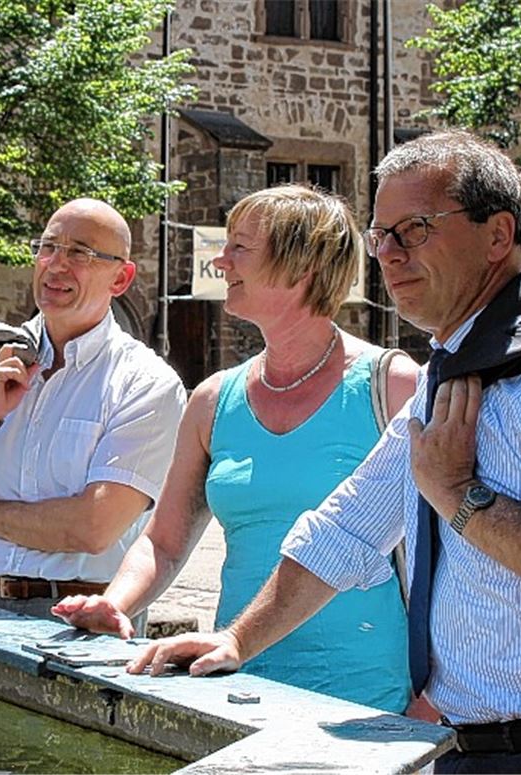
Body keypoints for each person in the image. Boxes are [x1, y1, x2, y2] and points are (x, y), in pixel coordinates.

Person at [124, 132, 521, 774]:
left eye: (416, 229)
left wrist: (461, 500)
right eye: (381, 235)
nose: (390, 255)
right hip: (468, 751)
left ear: (497, 233)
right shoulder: (450, 372)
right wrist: (235, 639)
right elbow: (345, 530)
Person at [55, 185, 419, 712]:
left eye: (240, 248)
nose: (221, 261)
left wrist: (433, 699)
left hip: (370, 701)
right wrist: (115, 604)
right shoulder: (212, 399)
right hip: (237, 685)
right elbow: (164, 542)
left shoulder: (393, 386)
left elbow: (450, 557)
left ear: (303, 265)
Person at [0, 198, 186, 625]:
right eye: (48, 247)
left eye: (80, 253)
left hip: (84, 620)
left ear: (120, 278)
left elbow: (92, 528)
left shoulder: (145, 383)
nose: (56, 264)